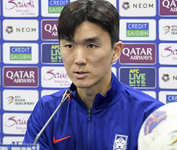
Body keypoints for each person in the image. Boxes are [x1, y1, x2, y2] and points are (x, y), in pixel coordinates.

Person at [23, 0, 164, 149]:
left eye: (91, 46)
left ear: (115, 51)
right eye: (69, 46)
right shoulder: (47, 111)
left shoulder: (149, 115)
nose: (79, 59)